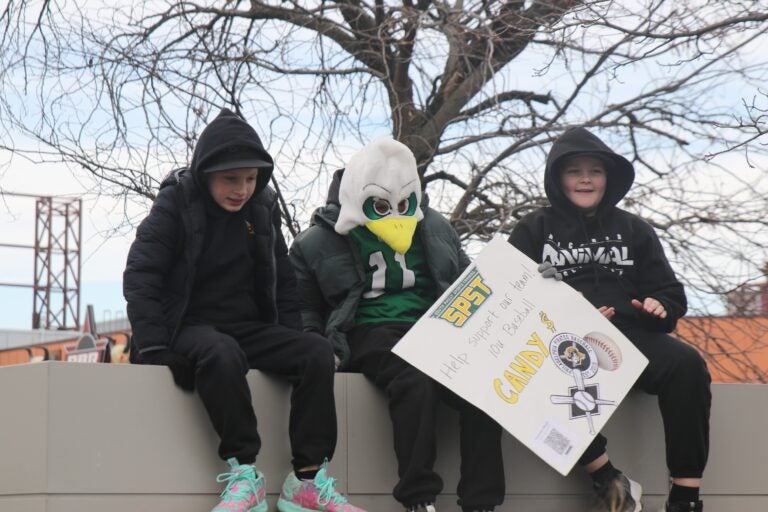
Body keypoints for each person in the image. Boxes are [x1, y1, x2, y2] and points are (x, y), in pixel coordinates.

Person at [123, 108, 365, 512]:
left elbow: (283, 279)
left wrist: (292, 339)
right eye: (230, 179)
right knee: (222, 352)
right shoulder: (175, 203)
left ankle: (306, 482)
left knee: (316, 351)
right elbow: (141, 274)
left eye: (251, 179)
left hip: (247, 326)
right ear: (206, 175)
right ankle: (244, 475)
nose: (242, 189)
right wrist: (153, 347)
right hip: (187, 324)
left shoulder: (261, 208)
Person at [289, 137, 506, 512]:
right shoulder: (318, 240)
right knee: (413, 378)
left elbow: (470, 283)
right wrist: (318, 341)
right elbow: (302, 305)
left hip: (433, 325)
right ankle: (419, 497)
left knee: (483, 384)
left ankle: (481, 502)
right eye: (383, 205)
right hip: (370, 329)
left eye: (404, 204)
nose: (395, 213)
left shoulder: (436, 227)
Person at [508, 127, 711, 512]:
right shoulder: (533, 229)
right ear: (557, 178)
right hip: (560, 341)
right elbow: (511, 294)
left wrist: (657, 307)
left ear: (608, 178)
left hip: (628, 335)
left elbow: (671, 292)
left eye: (595, 170)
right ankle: (607, 478)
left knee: (687, 364)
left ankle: (685, 496)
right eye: (574, 170)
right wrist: (566, 312)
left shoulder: (635, 229)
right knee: (527, 376)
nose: (585, 179)